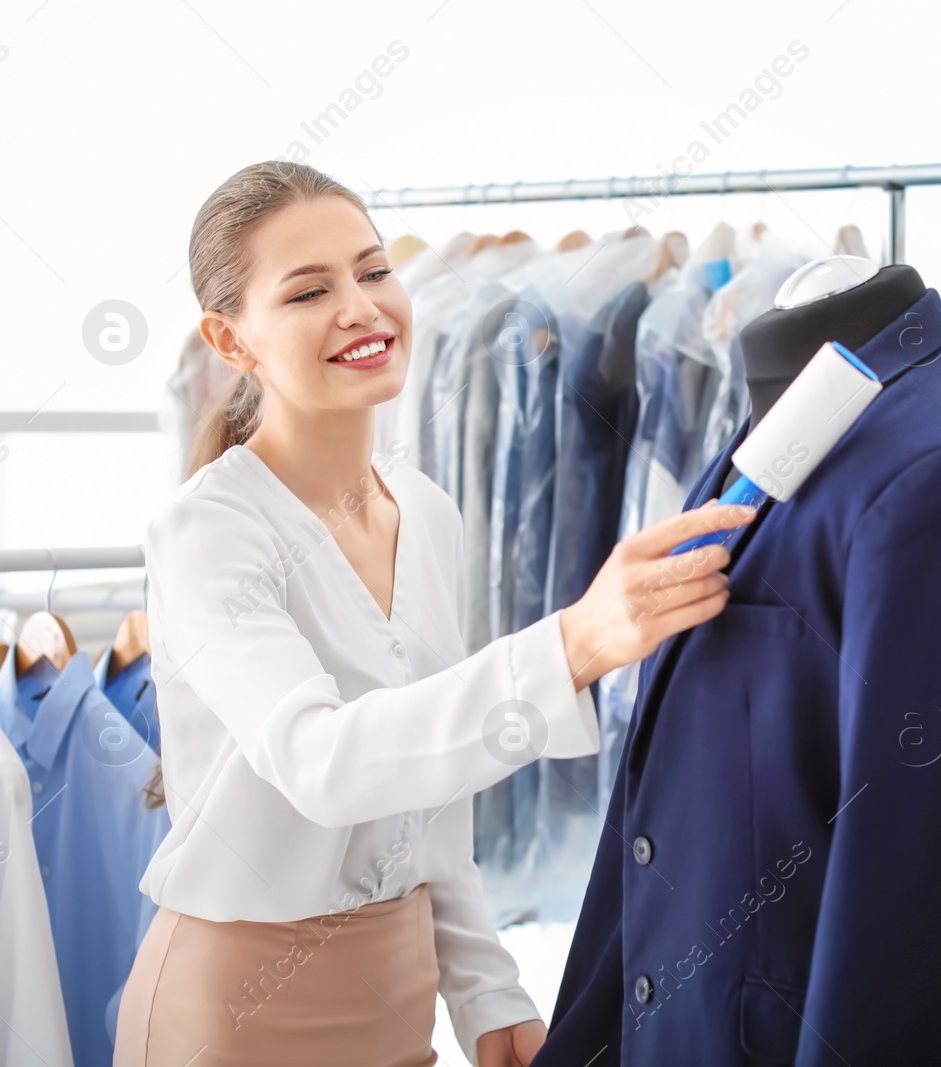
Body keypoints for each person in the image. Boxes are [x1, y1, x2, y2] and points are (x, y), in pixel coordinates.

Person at [113, 160, 754, 1067]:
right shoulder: (206, 529)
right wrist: (569, 645)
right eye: (309, 291)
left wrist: (487, 989)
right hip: (235, 1012)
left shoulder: (430, 512)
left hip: (398, 996)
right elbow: (322, 759)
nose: (362, 308)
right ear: (230, 340)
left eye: (373, 272)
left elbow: (430, 798)